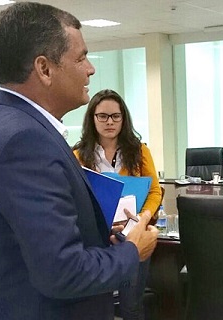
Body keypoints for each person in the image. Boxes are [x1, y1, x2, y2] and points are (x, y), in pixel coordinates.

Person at [0, 3, 158, 320]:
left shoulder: (2, 122)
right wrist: (133, 250)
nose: (90, 68)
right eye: (80, 58)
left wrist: (98, 230)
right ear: (44, 69)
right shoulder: (25, 141)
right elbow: (63, 273)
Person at [73, 89, 162, 320]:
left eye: (115, 116)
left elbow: (154, 191)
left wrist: (143, 217)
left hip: (132, 236)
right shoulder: (78, 155)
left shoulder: (139, 151)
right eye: (102, 116)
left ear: (124, 119)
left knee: (131, 305)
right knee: (97, 304)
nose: (109, 122)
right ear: (92, 119)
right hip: (96, 242)